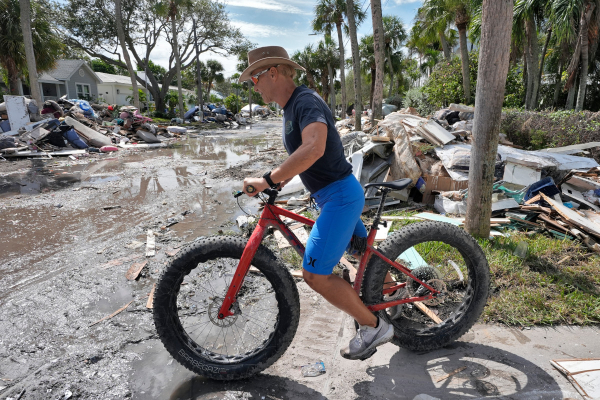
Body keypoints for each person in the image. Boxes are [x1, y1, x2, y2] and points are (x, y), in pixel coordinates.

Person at [239, 46, 394, 360]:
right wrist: (281, 178)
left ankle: (374, 326)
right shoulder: (290, 108)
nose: (253, 86)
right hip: (334, 194)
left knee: (314, 274)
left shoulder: (305, 102)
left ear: (273, 72)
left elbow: (314, 148)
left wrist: (268, 179)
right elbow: (303, 155)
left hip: (339, 197)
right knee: (363, 254)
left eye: (255, 78)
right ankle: (395, 293)